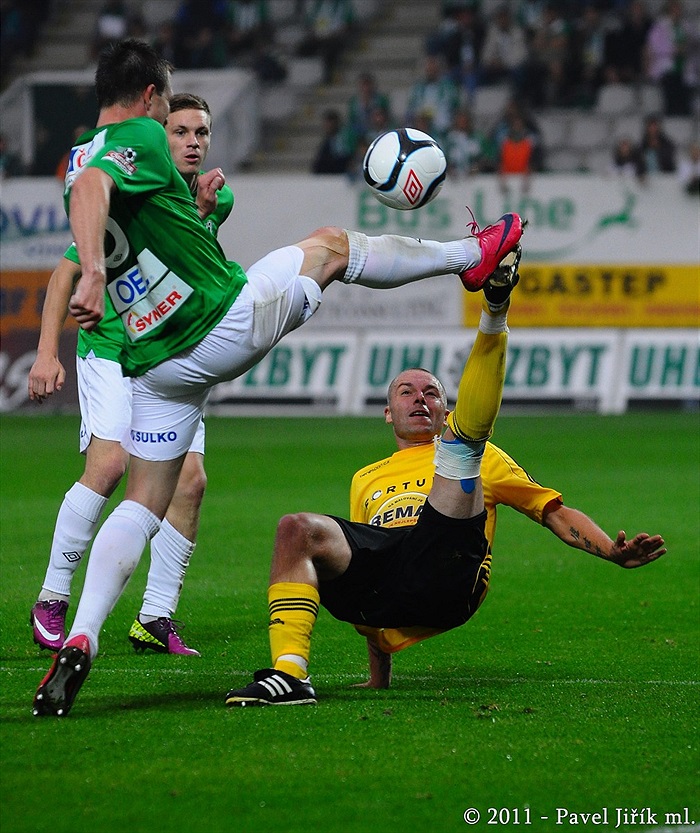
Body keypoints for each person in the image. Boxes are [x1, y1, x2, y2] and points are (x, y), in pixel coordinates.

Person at [32, 38, 524, 717]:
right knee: (333, 247)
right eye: (170, 104)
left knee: (144, 501)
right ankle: (475, 255)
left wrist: (184, 215)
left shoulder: (78, 155)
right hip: (215, 326)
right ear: (150, 96)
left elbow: (97, 193)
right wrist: (91, 268)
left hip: (155, 362)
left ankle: (82, 631)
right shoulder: (140, 135)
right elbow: (97, 194)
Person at [225, 248, 667, 706]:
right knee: (296, 528)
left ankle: (495, 308)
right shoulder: (367, 478)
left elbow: (554, 513)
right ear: (387, 412)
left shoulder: (482, 457)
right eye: (406, 392)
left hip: (450, 580)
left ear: (445, 409)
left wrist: (611, 552)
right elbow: (370, 555)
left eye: (432, 392)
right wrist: (380, 675)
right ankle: (290, 675)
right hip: (387, 593)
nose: (420, 399)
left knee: (460, 452)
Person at [28, 92, 233, 658]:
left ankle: (155, 617)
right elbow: (63, 276)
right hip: (114, 349)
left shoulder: (217, 196)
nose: (192, 142)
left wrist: (204, 212)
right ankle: (52, 595)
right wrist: (47, 353)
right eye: (180, 131)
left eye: (201, 133)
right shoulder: (126, 187)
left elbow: (185, 255)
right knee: (110, 465)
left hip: (169, 353)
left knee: (190, 483)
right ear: (155, 139)